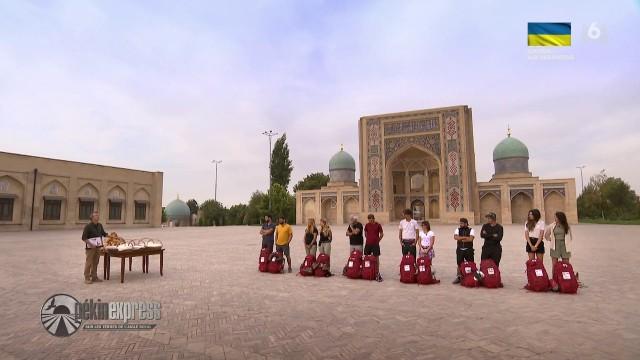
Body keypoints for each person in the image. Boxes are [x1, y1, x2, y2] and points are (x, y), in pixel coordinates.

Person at [81, 211, 107, 284]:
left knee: (95, 262)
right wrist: (91, 244)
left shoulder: (100, 225)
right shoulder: (88, 226)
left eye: (98, 216)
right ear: (92, 218)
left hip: (98, 247)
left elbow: (103, 233)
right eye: (96, 216)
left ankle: (94, 277)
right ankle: (87, 278)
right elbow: (84, 238)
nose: (97, 217)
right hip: (90, 248)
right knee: (89, 263)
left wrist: (111, 235)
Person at [452, 218, 475, 284]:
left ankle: (472, 276)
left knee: (471, 263)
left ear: (466, 223)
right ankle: (459, 277)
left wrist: (461, 238)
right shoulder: (457, 229)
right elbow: (456, 237)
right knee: (459, 264)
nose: (460, 224)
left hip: (469, 249)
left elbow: (471, 239)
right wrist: (465, 237)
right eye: (460, 223)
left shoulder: (471, 230)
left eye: (462, 223)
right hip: (460, 249)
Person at [364, 214, 384, 282]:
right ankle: (367, 271)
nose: (370, 220)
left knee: (376, 258)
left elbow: (381, 233)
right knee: (367, 257)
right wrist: (368, 238)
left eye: (371, 219)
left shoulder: (378, 225)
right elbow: (365, 232)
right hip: (368, 244)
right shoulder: (367, 225)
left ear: (374, 218)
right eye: (369, 219)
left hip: (375, 244)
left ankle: (377, 272)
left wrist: (378, 240)